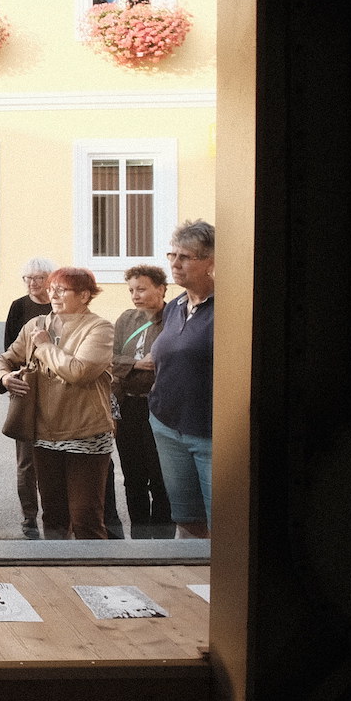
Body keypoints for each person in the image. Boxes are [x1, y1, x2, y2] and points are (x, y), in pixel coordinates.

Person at [0, 266, 115, 541]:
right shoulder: (36, 325)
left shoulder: (99, 328)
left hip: (85, 433)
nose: (53, 295)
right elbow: (4, 359)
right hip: (44, 434)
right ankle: (58, 568)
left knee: (86, 518)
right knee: (54, 517)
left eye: (62, 290)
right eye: (51, 289)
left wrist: (45, 346)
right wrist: (5, 378)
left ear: (84, 295)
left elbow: (79, 372)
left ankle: (96, 568)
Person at [148, 220, 216, 538]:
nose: (174, 264)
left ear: (211, 261)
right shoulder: (175, 306)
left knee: (223, 525)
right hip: (168, 426)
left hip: (209, 433)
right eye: (172, 255)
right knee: (187, 520)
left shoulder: (231, 308)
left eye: (185, 257)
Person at [110, 264, 174, 539]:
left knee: (161, 478)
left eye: (142, 289)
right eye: (131, 290)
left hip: (159, 407)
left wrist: (133, 366)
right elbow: (110, 359)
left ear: (161, 289)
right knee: (133, 477)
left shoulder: (173, 319)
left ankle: (162, 540)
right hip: (128, 406)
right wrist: (136, 364)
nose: (135, 295)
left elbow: (168, 362)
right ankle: (138, 538)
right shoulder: (126, 319)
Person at [4, 256, 58, 538]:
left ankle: (56, 517)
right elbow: (9, 350)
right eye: (28, 278)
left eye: (39, 278)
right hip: (25, 389)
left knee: (52, 457)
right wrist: (12, 378)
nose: (33, 283)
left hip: (56, 390)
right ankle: (29, 517)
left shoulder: (59, 307)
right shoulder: (19, 306)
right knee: (26, 462)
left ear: (50, 280)